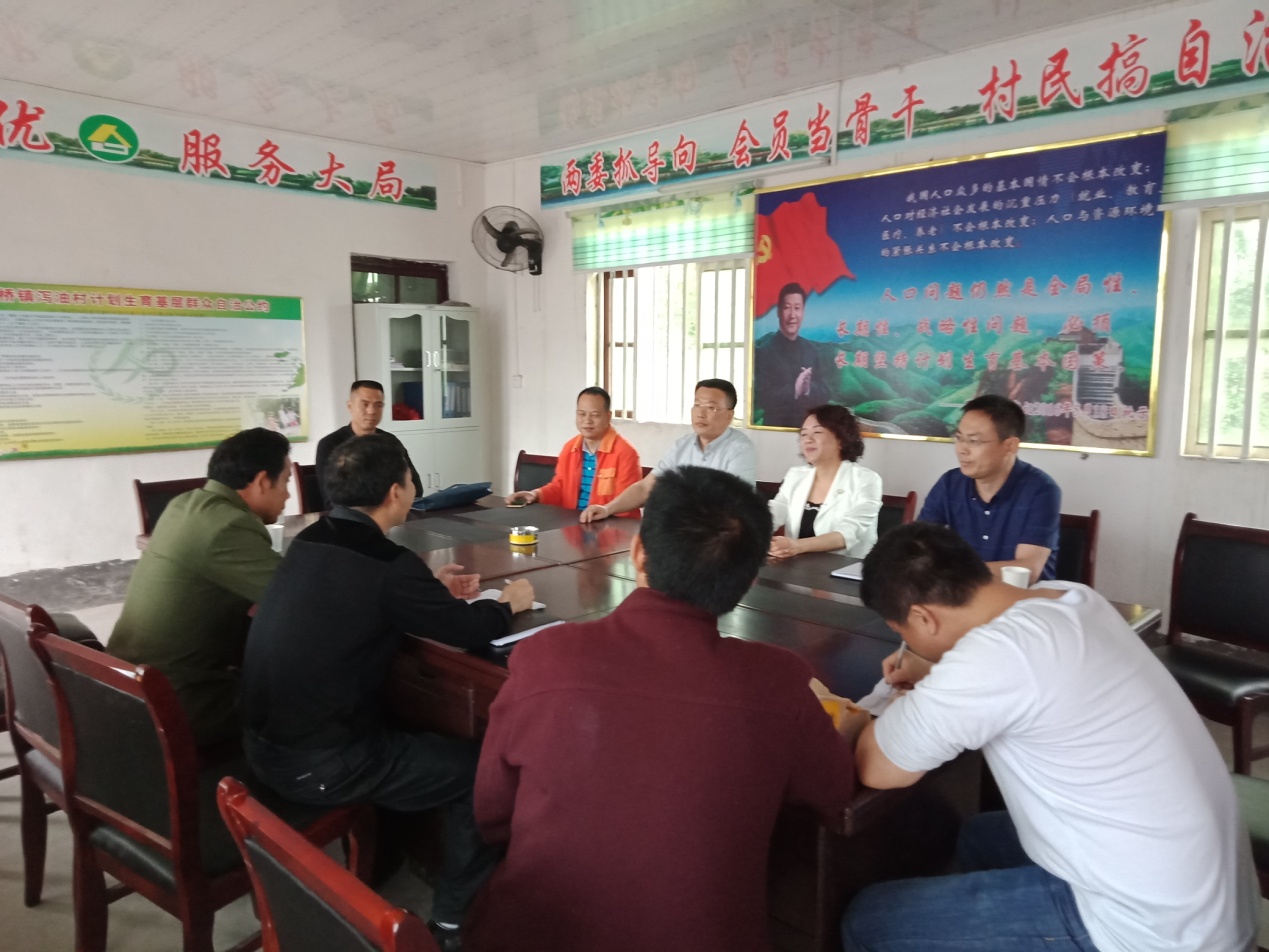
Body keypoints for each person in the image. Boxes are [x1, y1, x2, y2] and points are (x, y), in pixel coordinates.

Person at [468, 467, 859, 952]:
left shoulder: (546, 656)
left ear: (637, 552)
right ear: (748, 581)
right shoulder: (778, 681)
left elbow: (492, 812)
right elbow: (833, 790)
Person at [841, 522, 1257, 952]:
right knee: (976, 836)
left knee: (867, 921)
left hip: (1151, 930)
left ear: (923, 618)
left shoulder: (997, 656)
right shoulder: (1071, 598)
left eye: (902, 634)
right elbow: (1021, 679)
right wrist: (934, 675)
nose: (905, 644)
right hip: (1203, 894)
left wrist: (856, 717)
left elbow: (879, 768)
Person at [241, 434, 536, 952]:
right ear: (397, 491)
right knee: (480, 773)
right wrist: (508, 602)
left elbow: (357, 598)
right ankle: (454, 921)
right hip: (320, 764)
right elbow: (469, 629)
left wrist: (424, 589)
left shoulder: (311, 539)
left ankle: (408, 853)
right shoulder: (388, 565)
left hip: (261, 746)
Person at [109, 428, 291, 747]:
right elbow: (300, 600)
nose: (288, 495)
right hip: (176, 704)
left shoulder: (185, 504)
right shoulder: (228, 525)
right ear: (263, 481)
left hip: (127, 686)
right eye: (286, 481)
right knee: (313, 697)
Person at [918, 394, 1060, 582]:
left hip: (1020, 597)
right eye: (959, 438)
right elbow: (916, 547)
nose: (962, 449)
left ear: (1010, 446)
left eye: (974, 441)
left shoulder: (1040, 490)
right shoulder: (949, 484)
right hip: (960, 593)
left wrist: (949, 571)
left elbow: (1026, 571)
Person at [579, 378, 756, 522]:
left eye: (711, 407)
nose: (700, 413)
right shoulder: (682, 446)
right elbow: (645, 488)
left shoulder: (740, 450)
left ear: (729, 415)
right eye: (697, 405)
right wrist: (607, 509)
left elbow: (731, 505)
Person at [769, 404, 882, 560]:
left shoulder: (866, 480)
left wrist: (796, 546)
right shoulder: (795, 476)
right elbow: (772, 514)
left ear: (841, 439)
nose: (808, 440)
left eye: (817, 432)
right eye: (803, 434)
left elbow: (848, 534)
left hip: (846, 570)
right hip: (795, 569)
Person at [504, 386, 641, 515]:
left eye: (595, 415)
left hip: (610, 525)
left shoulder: (625, 453)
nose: (587, 420)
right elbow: (559, 488)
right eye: (581, 414)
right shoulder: (570, 449)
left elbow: (626, 505)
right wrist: (535, 494)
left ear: (608, 416)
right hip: (572, 522)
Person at [315, 380, 422, 507]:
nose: (371, 411)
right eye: (365, 404)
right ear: (350, 406)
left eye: (378, 405)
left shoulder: (390, 442)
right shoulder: (330, 444)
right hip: (351, 516)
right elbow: (330, 500)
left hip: (392, 513)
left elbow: (415, 488)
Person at [753, 282, 830, 429]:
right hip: (776, 431)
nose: (792, 315)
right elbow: (761, 397)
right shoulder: (765, 351)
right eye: (787, 307)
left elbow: (825, 392)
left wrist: (808, 388)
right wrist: (795, 389)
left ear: (803, 312)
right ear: (778, 312)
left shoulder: (812, 350)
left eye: (797, 308)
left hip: (807, 432)